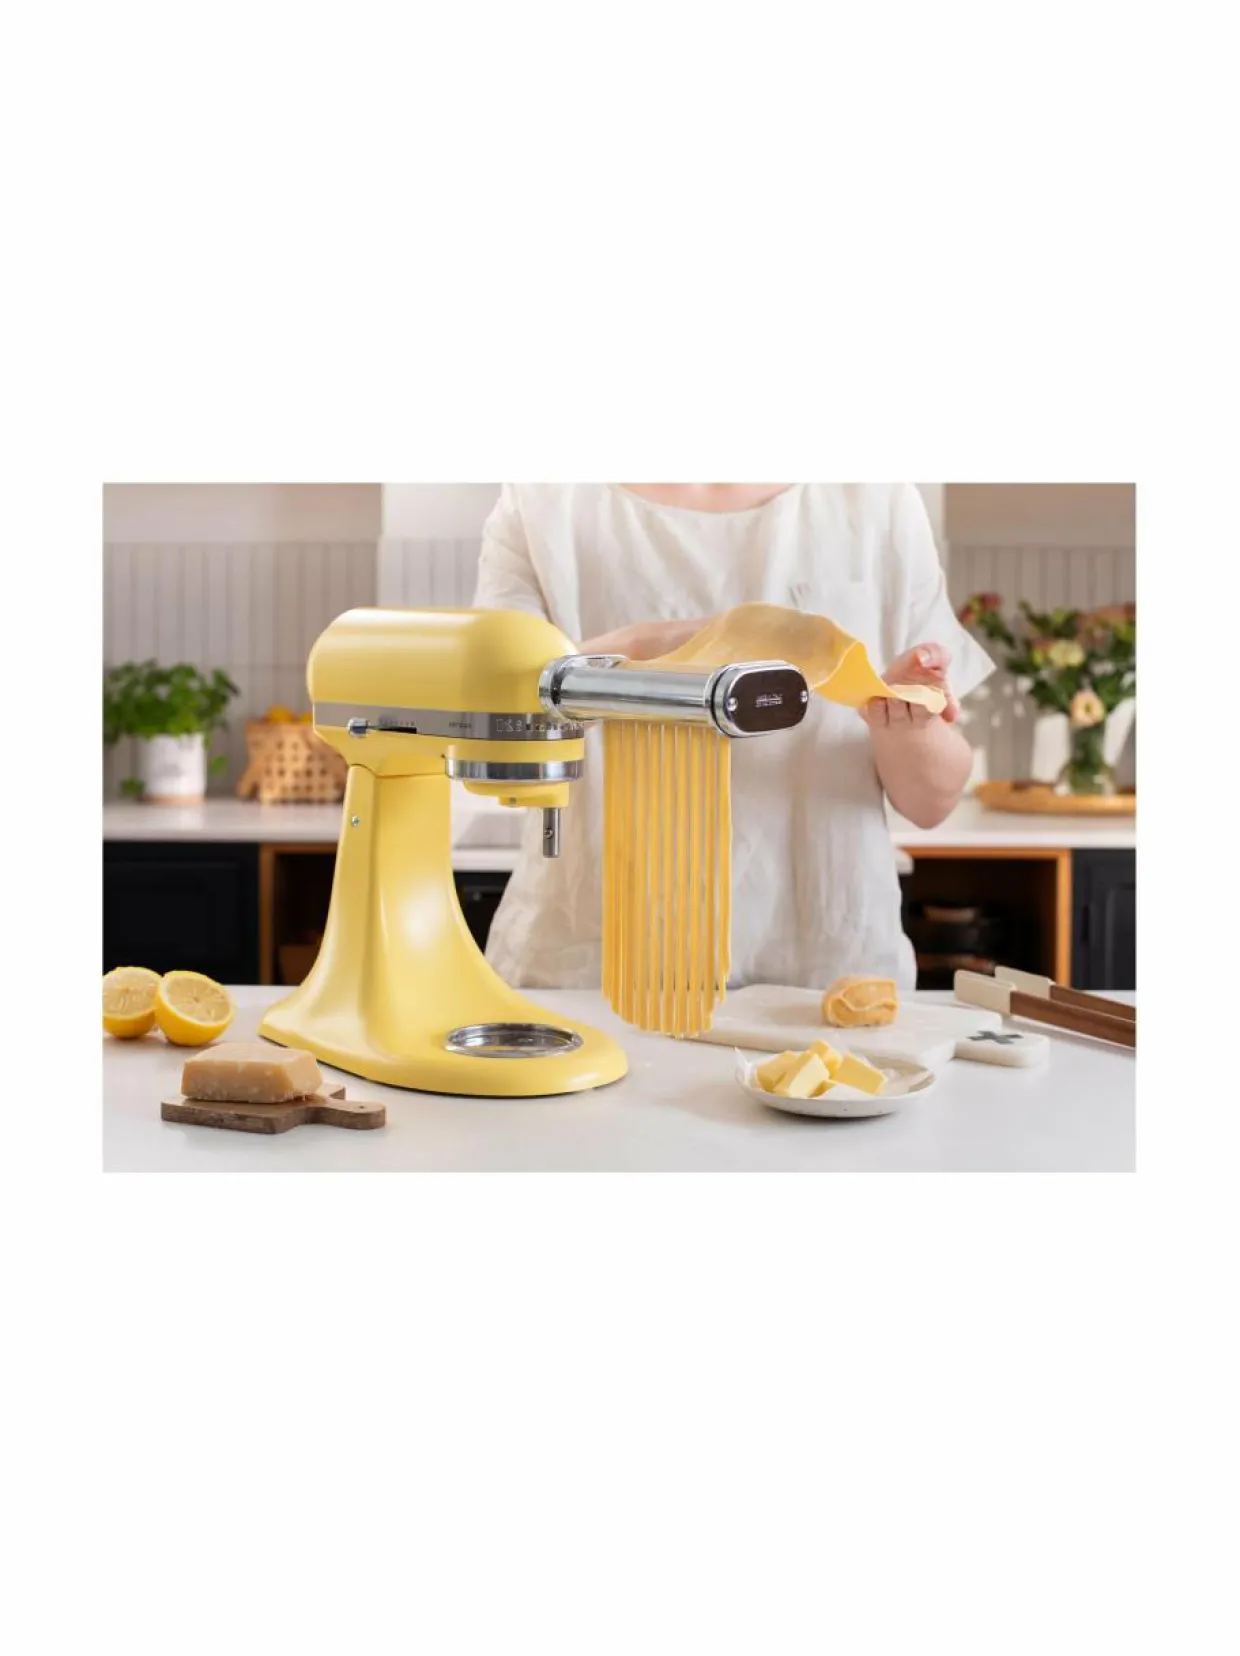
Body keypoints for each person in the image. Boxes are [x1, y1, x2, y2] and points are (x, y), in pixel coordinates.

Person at [473, 483, 993, 991]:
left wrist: (908, 723)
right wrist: (651, 644)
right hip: (589, 969)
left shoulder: (877, 500)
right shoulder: (541, 501)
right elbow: (495, 725)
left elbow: (930, 803)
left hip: (825, 976)